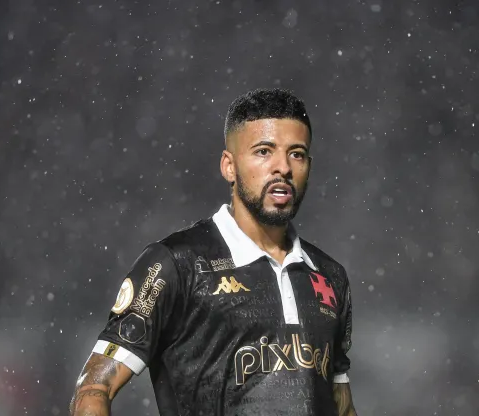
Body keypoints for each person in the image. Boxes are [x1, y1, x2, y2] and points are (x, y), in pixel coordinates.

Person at [69, 88, 358, 416]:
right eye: (264, 151)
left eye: (297, 154)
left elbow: (342, 406)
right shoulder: (175, 264)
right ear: (229, 166)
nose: (283, 167)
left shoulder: (329, 277)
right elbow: (93, 390)